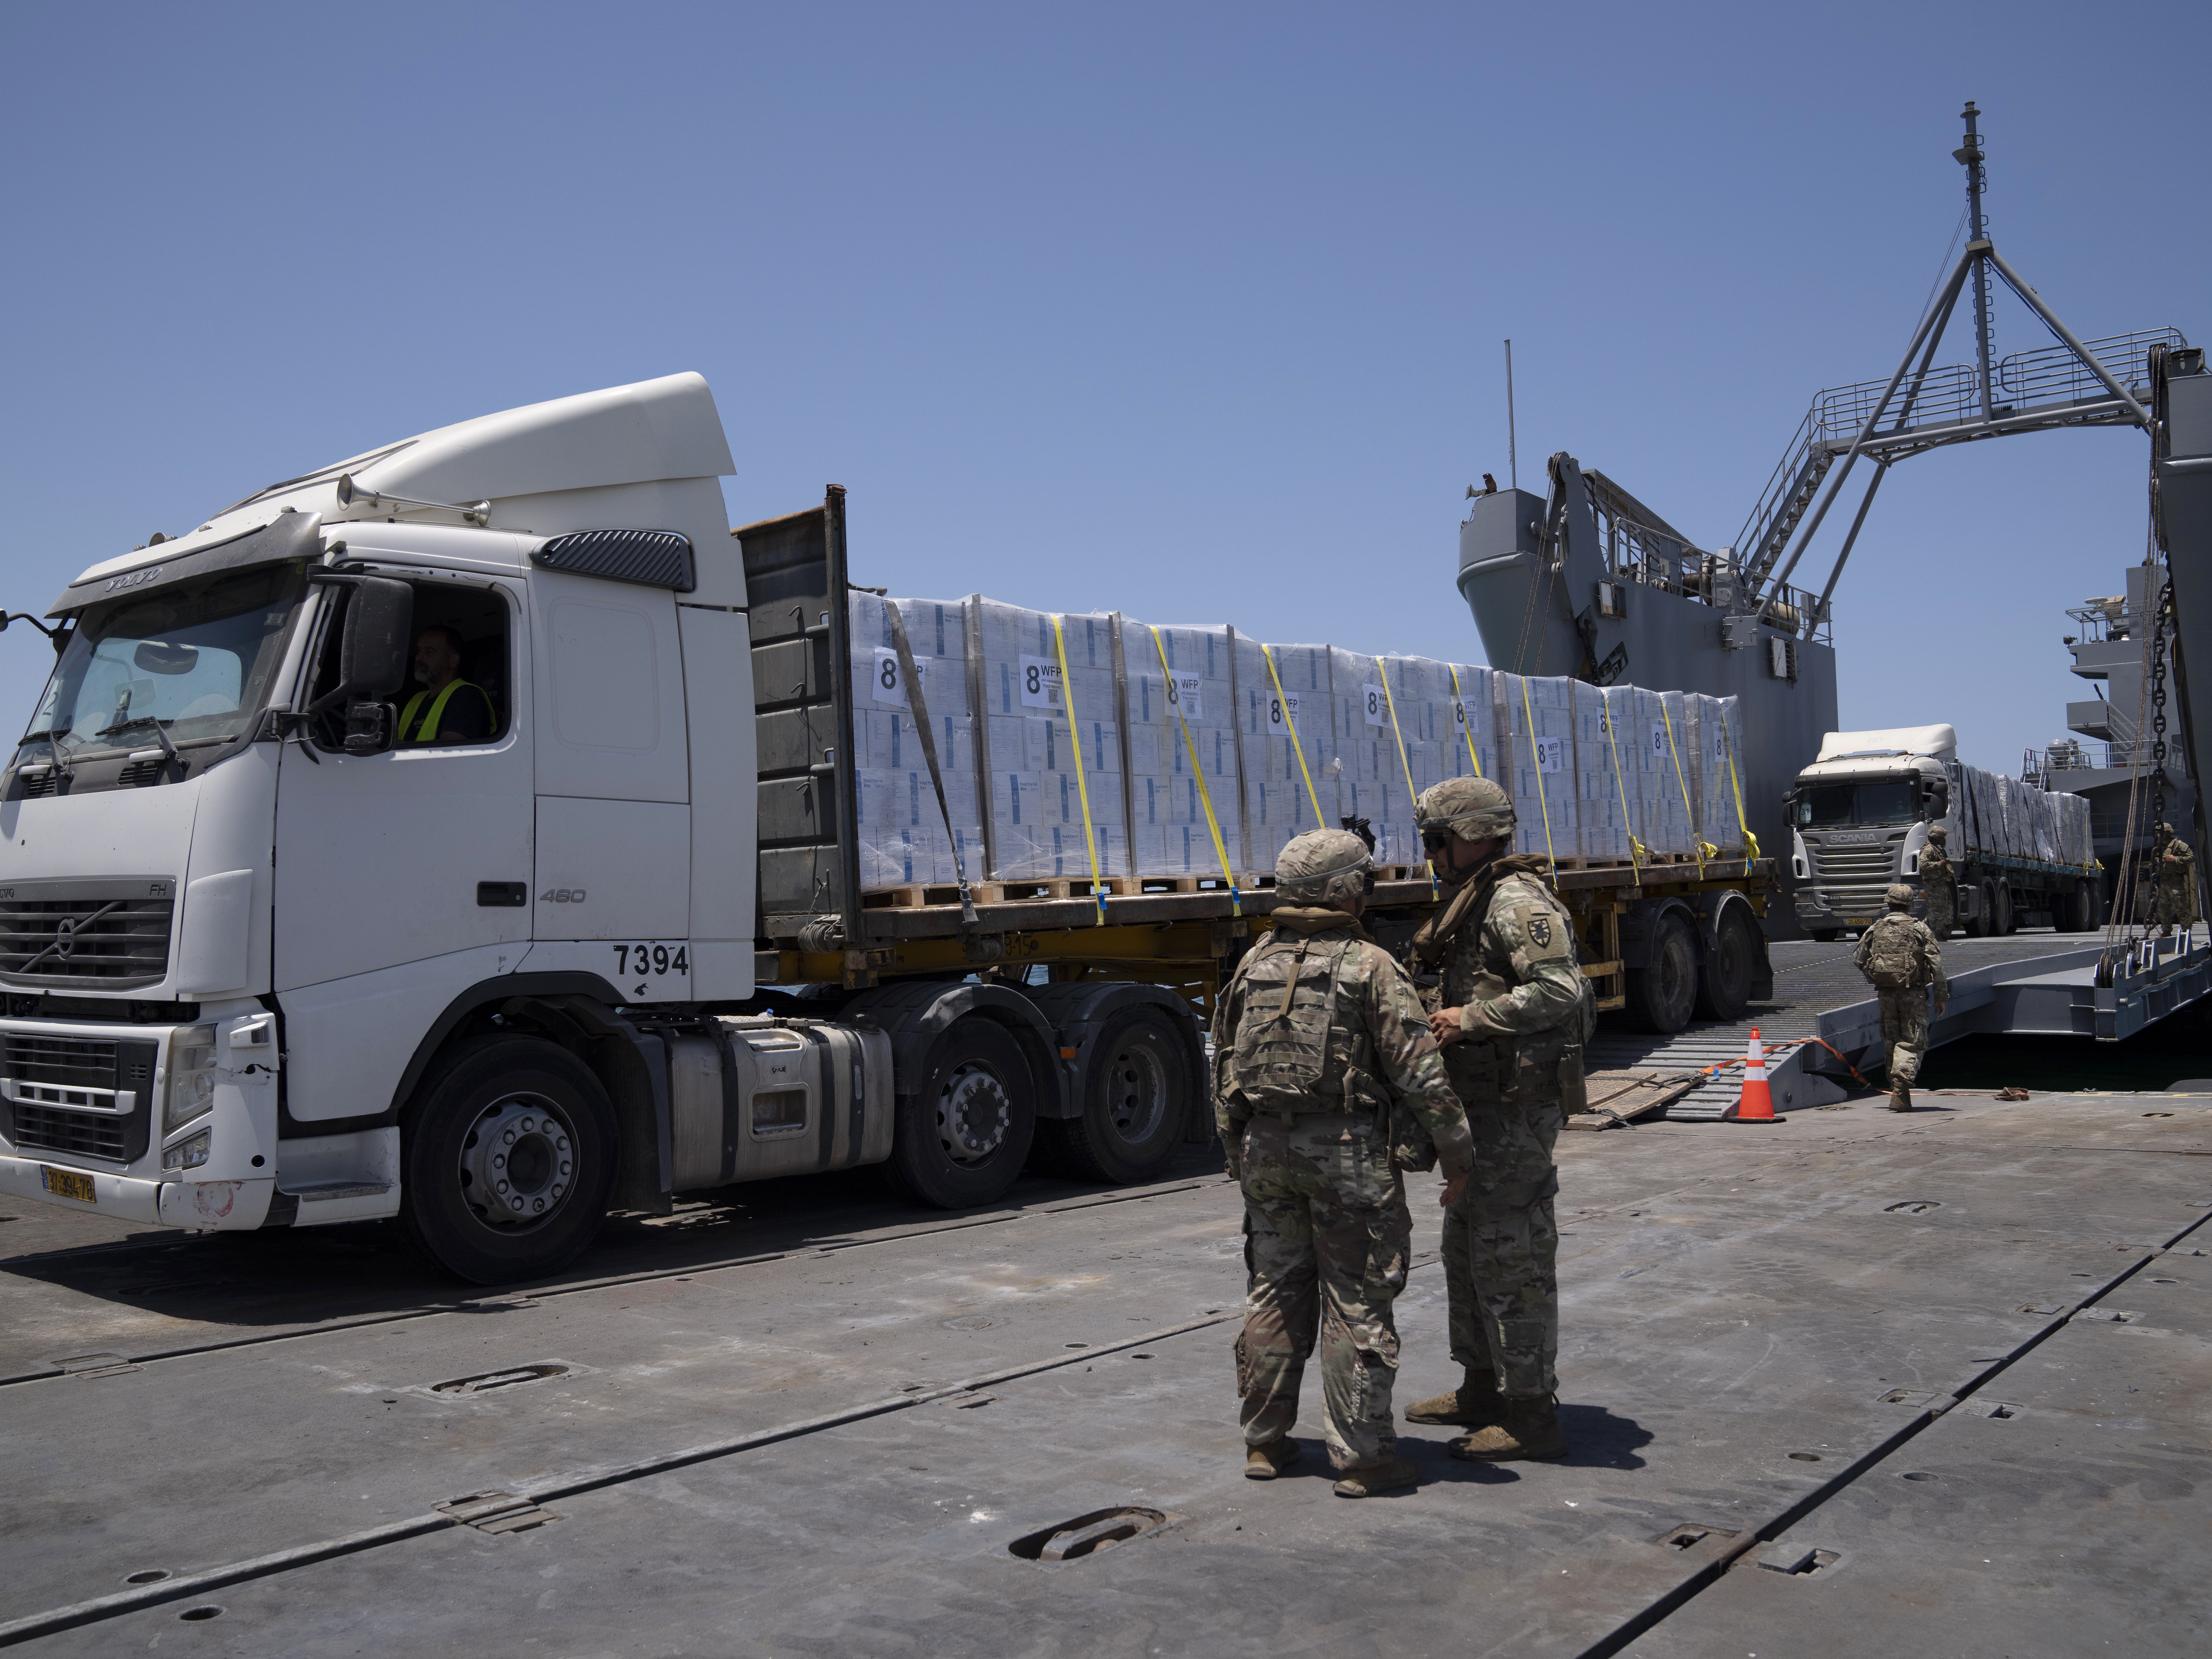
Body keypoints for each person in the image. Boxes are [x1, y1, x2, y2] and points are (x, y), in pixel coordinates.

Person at [1213, 827, 1476, 1499]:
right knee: (1355, 1298)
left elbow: (1224, 1068)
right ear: (1345, 892)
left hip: (1265, 1150)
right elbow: (1420, 1073)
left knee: (1273, 1289)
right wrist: (1457, 1154)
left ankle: (1265, 1443)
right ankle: (1361, 1458)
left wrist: (1235, 1151)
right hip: (1346, 1156)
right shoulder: (1370, 966)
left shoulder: (1254, 963)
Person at [1399, 776, 1595, 1463]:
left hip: (1513, 1112)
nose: (1429, 854)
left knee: (1509, 1256)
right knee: (1466, 1248)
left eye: (1437, 840)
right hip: (1480, 1107)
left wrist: (1471, 1017)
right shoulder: (1471, 896)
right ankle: (1481, 1386)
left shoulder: (1514, 903)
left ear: (1473, 836)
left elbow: (1559, 989)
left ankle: (1531, 1412)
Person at [1853, 883, 1949, 1112]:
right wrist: (1940, 996)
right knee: (1912, 1041)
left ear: (1888, 903)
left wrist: (1878, 976)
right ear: (1910, 904)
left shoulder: (1875, 928)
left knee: (1891, 1041)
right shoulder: (1920, 928)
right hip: (1913, 993)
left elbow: (1858, 959)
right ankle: (1899, 1090)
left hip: (1885, 995)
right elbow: (1936, 964)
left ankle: (1899, 1094)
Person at [397, 625, 495, 746]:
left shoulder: (467, 696)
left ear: (453, 661)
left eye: (430, 651)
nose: (418, 657)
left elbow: (450, 750)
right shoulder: (417, 700)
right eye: (419, 651)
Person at [2155, 824, 2199, 940]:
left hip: (2175, 881)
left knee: (2181, 907)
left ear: (2169, 833)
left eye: (2162, 833)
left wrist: (2176, 859)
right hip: (2163, 881)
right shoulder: (2160, 847)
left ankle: (2186, 930)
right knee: (2163, 908)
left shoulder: (2178, 845)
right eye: (2157, 833)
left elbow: (2191, 858)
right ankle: (2166, 931)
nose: (2159, 835)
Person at [1921, 824, 1957, 940]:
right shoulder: (1929, 849)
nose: (1943, 840)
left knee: (1939, 910)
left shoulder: (1937, 849)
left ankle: (1925, 931)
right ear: (1936, 838)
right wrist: (1939, 864)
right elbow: (1923, 864)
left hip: (1939, 884)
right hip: (1933, 886)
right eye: (1942, 837)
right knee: (1936, 911)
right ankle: (1935, 934)